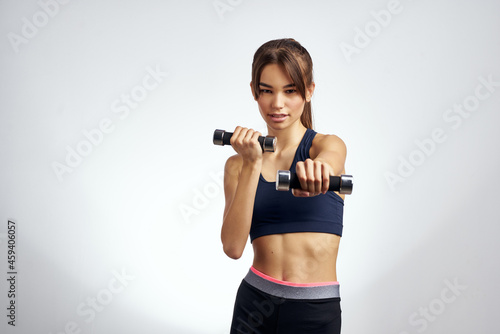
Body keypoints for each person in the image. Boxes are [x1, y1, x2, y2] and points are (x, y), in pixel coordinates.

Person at [221, 38, 347, 334]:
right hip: (253, 305)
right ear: (254, 92)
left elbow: (329, 163)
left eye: (290, 91)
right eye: (267, 91)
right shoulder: (237, 165)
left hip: (314, 310)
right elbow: (232, 247)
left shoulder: (325, 146)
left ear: (309, 91)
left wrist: (318, 172)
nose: (277, 104)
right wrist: (253, 163)